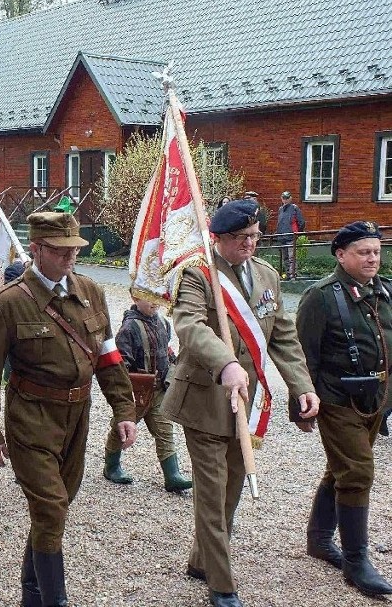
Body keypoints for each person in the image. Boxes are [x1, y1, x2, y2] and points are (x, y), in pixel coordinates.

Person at [0, 212, 137, 607]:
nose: (69, 258)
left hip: (78, 418)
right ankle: (54, 600)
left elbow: (107, 354)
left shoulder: (91, 292)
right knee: (50, 508)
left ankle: (32, 593)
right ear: (37, 249)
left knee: (57, 507)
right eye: (60, 251)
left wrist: (124, 409)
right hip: (32, 420)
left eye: (74, 250)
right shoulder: (7, 304)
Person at [162, 199, 319, 607]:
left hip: (245, 402)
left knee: (231, 490)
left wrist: (301, 385)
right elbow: (191, 327)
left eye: (254, 236)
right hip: (204, 398)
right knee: (212, 493)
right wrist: (227, 362)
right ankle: (222, 583)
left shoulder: (267, 275)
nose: (250, 244)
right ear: (218, 238)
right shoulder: (198, 275)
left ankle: (201, 561)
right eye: (240, 238)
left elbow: (282, 335)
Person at [295, 221, 392, 597]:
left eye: (376, 252)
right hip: (336, 399)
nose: (372, 258)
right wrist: (301, 406)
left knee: (341, 467)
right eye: (363, 252)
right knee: (357, 471)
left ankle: (319, 539)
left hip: (377, 399)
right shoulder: (321, 296)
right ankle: (357, 561)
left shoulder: (383, 292)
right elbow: (304, 356)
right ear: (340, 254)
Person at [103, 290, 192, 493]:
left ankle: (172, 475)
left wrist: (172, 373)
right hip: (136, 392)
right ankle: (112, 466)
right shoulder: (129, 328)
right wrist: (124, 391)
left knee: (164, 430)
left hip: (159, 390)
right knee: (121, 428)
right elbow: (121, 363)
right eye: (149, 298)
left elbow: (168, 352)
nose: (155, 303)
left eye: (157, 298)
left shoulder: (163, 323)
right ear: (135, 298)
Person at [275, 191, 305, 280]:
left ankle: (293, 275)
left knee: (292, 257)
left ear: (290, 198)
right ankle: (288, 274)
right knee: (285, 257)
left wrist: (297, 232)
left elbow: (301, 222)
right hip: (282, 236)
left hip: (291, 236)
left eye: (287, 198)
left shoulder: (294, 208)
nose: (285, 200)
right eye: (284, 198)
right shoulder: (280, 209)